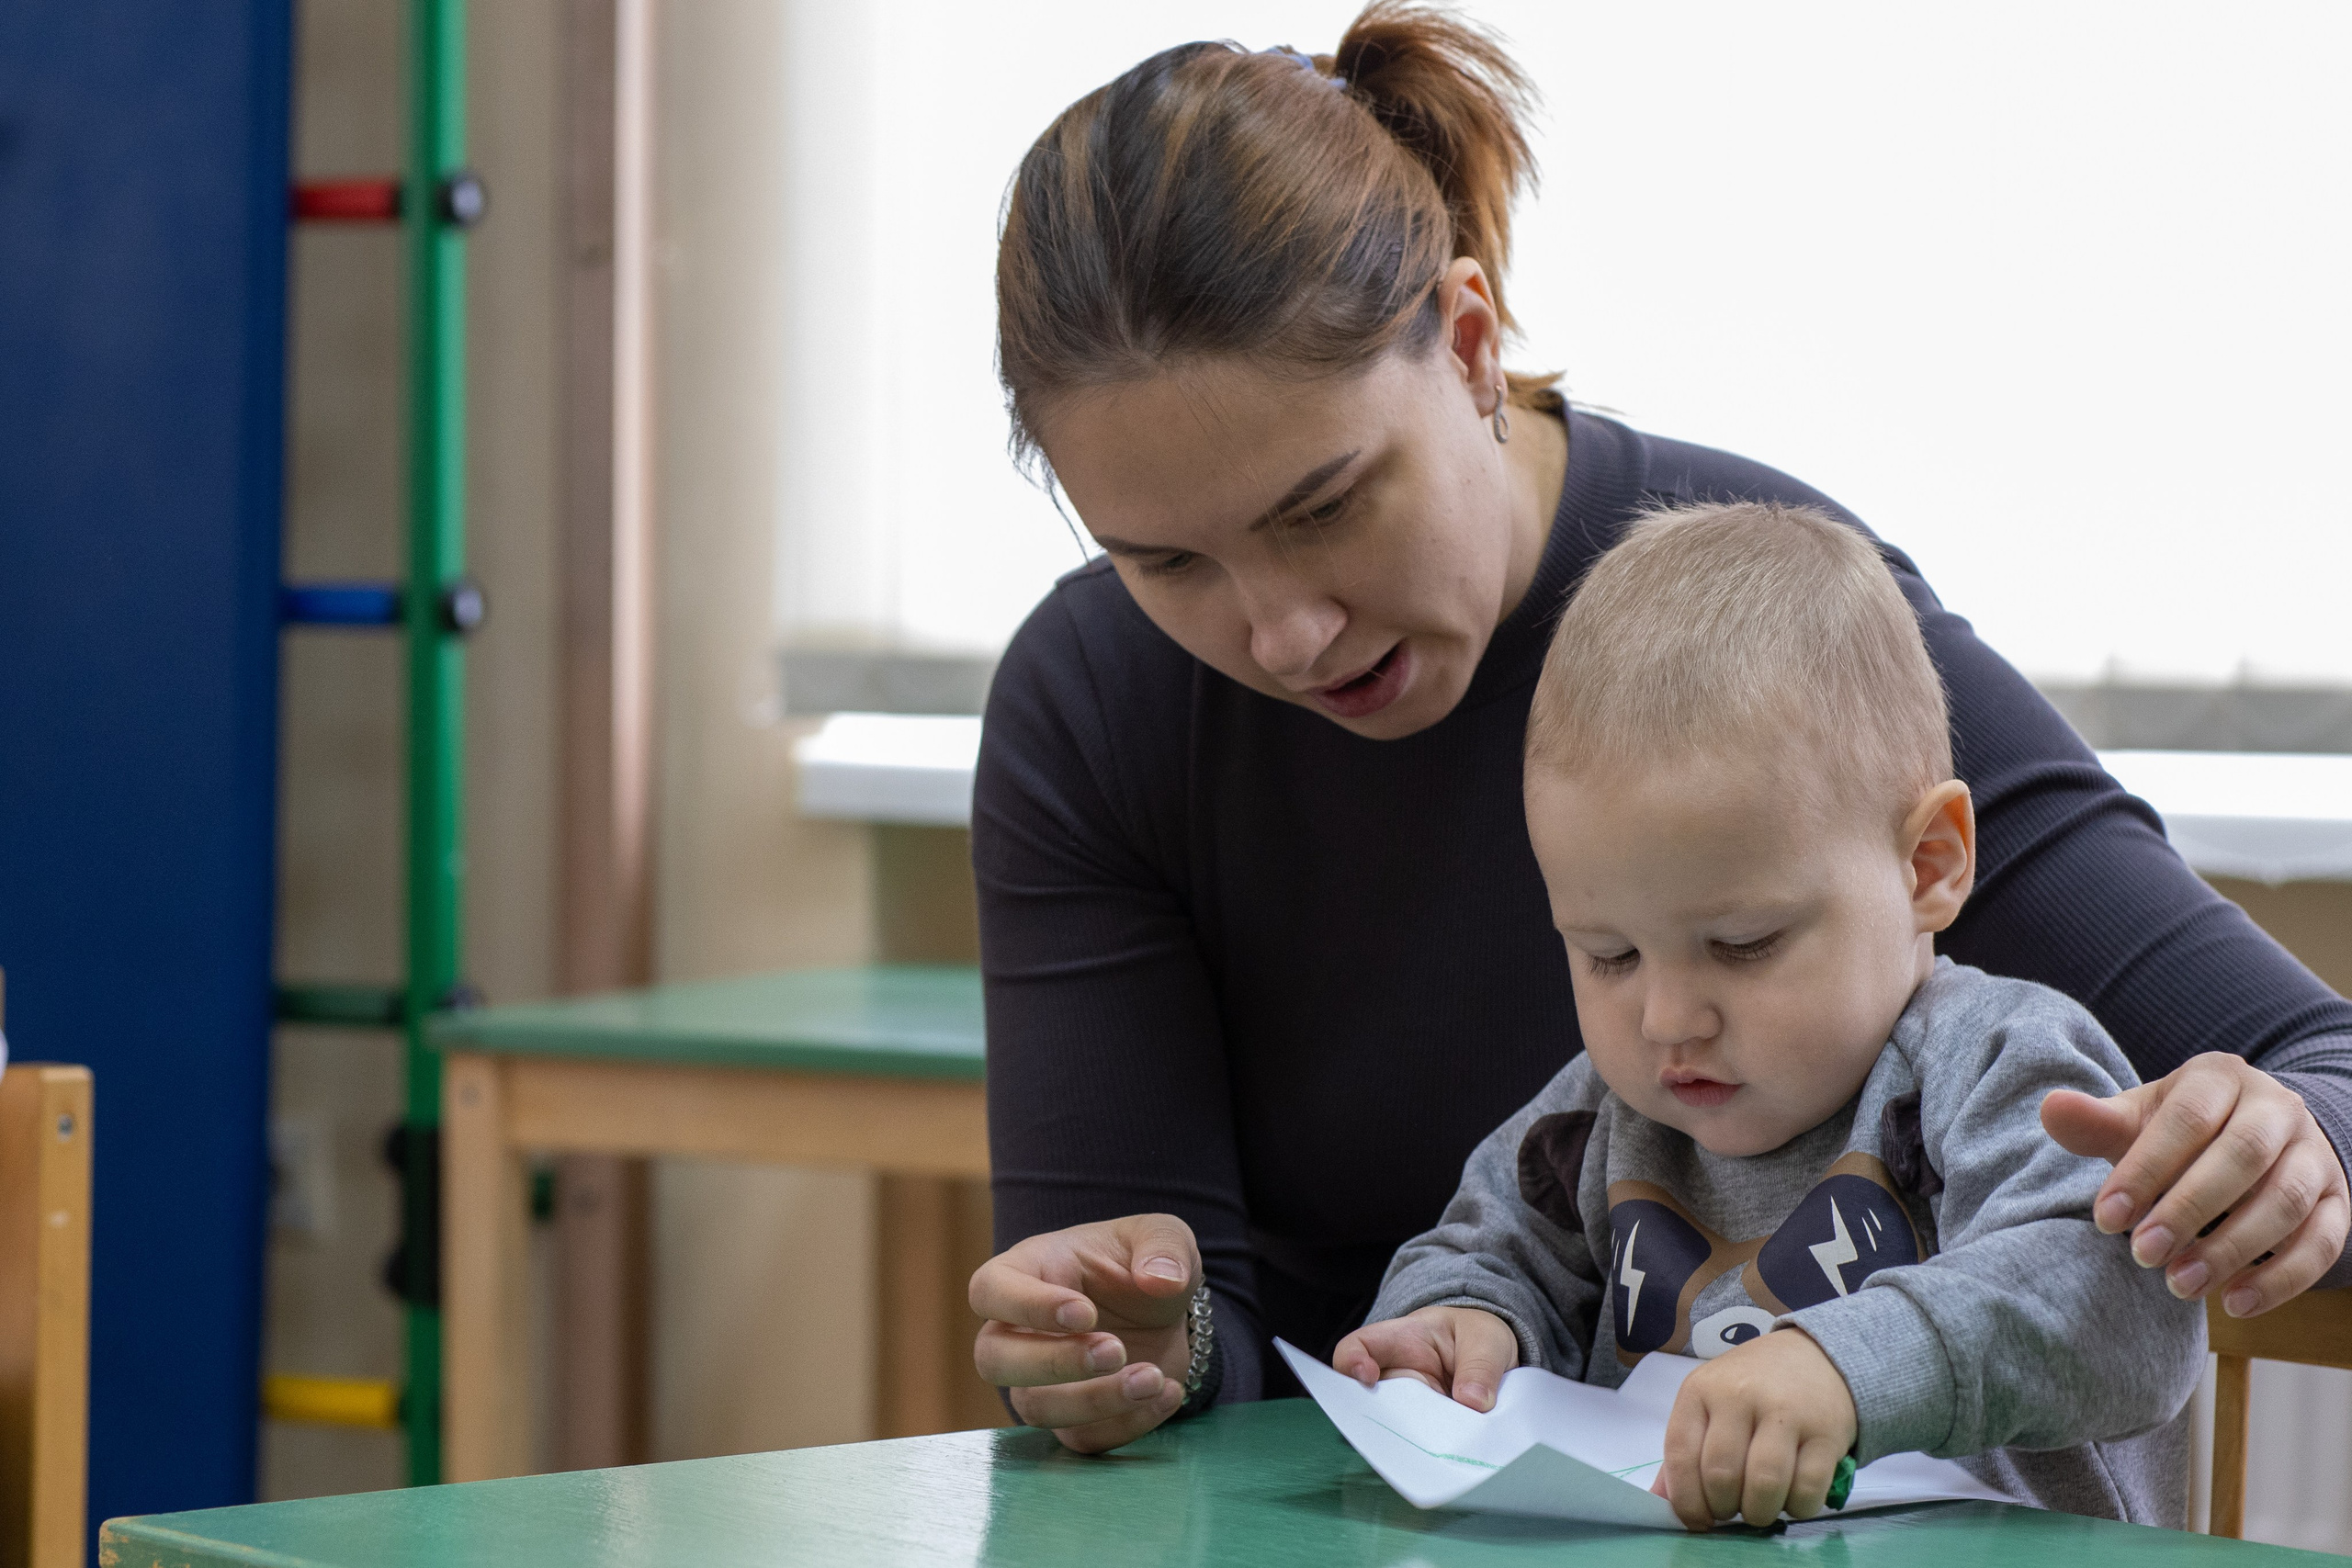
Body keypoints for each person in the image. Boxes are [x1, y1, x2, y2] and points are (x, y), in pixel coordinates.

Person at [968, 3, 2352, 1455]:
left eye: (1323, 506)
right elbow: (1190, 1353)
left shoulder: (1767, 634)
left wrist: (2282, 1148)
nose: (1282, 631)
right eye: (1164, 562)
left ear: (1468, 343)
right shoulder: (1096, 706)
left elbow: (2318, 1063)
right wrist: (1142, 1348)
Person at [1334, 501, 2204, 1530]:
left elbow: (2115, 1305)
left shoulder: (1999, 1060)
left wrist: (1847, 1367)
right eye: (1607, 953)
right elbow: (1482, 1249)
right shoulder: (1602, 1112)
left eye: (1742, 943)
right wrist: (1454, 1325)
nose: (1666, 1020)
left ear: (1928, 864)